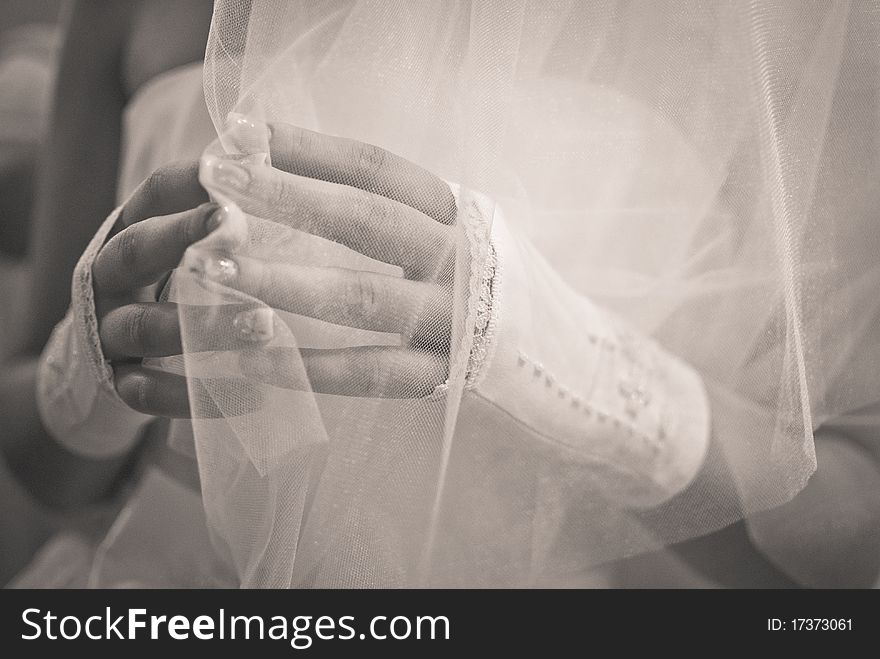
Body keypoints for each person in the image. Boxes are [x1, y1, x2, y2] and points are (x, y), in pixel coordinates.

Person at [6, 0, 880, 588]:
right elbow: (41, 461)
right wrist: (85, 369)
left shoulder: (782, 44)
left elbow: (843, 537)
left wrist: (554, 357)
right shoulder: (130, 11)